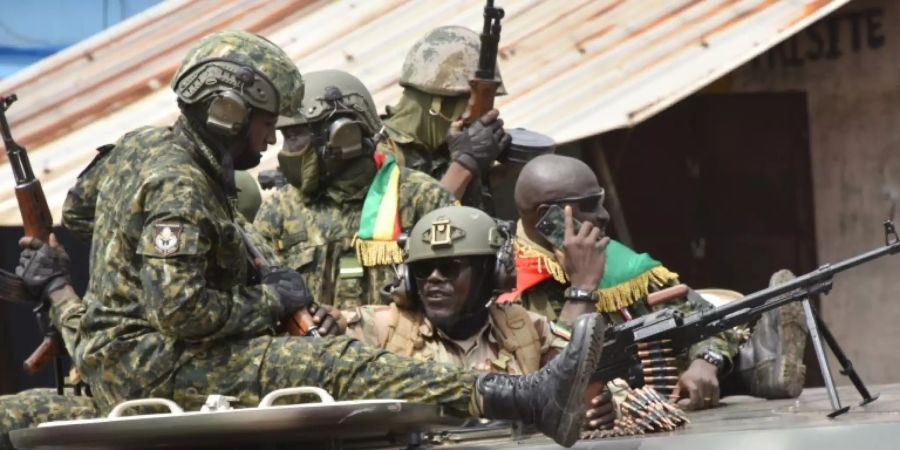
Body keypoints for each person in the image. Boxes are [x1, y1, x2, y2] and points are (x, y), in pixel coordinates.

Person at [56, 30, 607, 448]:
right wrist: (277, 297)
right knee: (340, 365)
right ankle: (526, 399)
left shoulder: (139, 146)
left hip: (123, 354)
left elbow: (80, 212)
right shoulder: (182, 184)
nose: (272, 138)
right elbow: (181, 312)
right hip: (153, 364)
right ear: (227, 113)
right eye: (266, 121)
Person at [502, 154, 805, 410]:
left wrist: (706, 360)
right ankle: (759, 365)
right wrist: (582, 288)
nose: (604, 215)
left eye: (602, 201)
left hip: (666, 405)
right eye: (589, 205)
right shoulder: (506, 283)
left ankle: (758, 367)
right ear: (548, 216)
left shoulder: (616, 261)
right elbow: (550, 380)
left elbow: (706, 318)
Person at [343, 205, 617, 430]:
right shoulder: (378, 328)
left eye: (450, 268)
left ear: (492, 272)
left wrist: (604, 405)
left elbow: (582, 378)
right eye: (423, 269)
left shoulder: (524, 330)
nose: (434, 279)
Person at [254, 69, 455, 308]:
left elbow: (455, 299)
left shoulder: (424, 199)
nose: (286, 150)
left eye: (296, 136)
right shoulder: (279, 211)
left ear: (343, 135)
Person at [381, 26, 511, 207]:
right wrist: (464, 165)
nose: (479, 118)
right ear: (438, 103)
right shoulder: (376, 157)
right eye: (473, 103)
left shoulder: (452, 147)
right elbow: (423, 228)